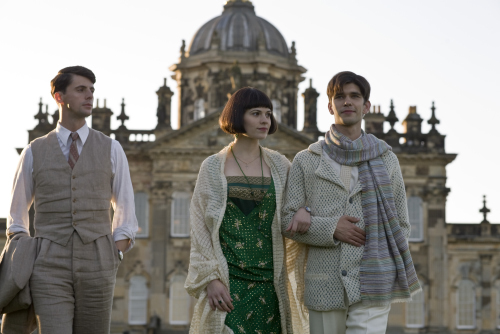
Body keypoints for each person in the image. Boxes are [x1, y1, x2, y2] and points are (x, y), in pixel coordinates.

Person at [281, 71, 421, 334]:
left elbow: (401, 223)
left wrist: (382, 264)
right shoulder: (306, 160)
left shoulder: (387, 160)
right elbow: (287, 221)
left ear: (366, 106)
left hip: (373, 280)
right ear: (329, 105)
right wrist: (330, 228)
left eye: (354, 96)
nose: (347, 102)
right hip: (325, 282)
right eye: (340, 96)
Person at [5, 66, 138, 333]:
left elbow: (125, 208)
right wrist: (30, 252)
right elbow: (16, 217)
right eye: (80, 90)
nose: (89, 96)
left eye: (91, 90)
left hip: (99, 260)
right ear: (59, 97)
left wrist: (116, 252)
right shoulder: (34, 151)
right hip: (48, 263)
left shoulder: (112, 148)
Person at [186, 87, 307, 334]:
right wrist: (210, 279)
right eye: (256, 113)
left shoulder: (281, 165)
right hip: (229, 286)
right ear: (238, 116)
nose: (265, 120)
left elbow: (302, 200)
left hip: (271, 284)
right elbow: (199, 227)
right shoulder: (212, 167)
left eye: (268, 113)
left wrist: (305, 209)